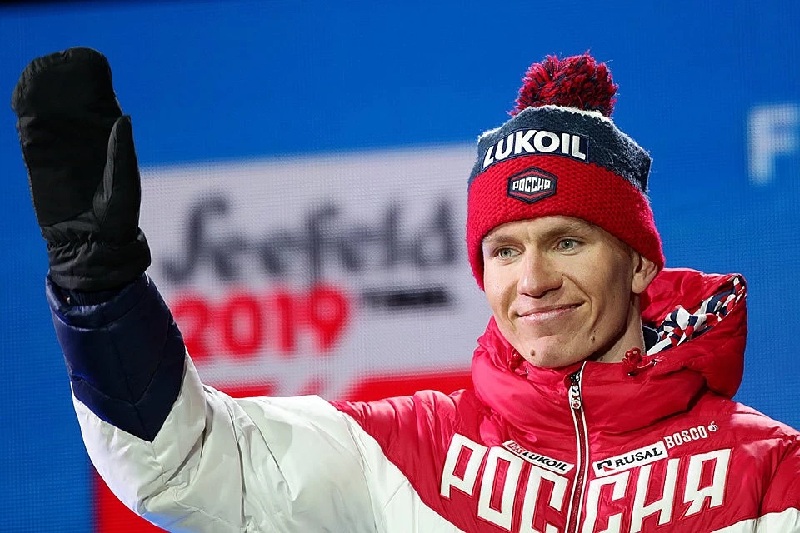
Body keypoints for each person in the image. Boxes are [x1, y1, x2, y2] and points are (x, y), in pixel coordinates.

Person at [12, 47, 800, 533]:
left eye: (568, 240)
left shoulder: (769, 474)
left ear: (638, 263)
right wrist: (102, 292)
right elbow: (188, 466)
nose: (532, 280)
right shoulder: (405, 450)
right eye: (504, 249)